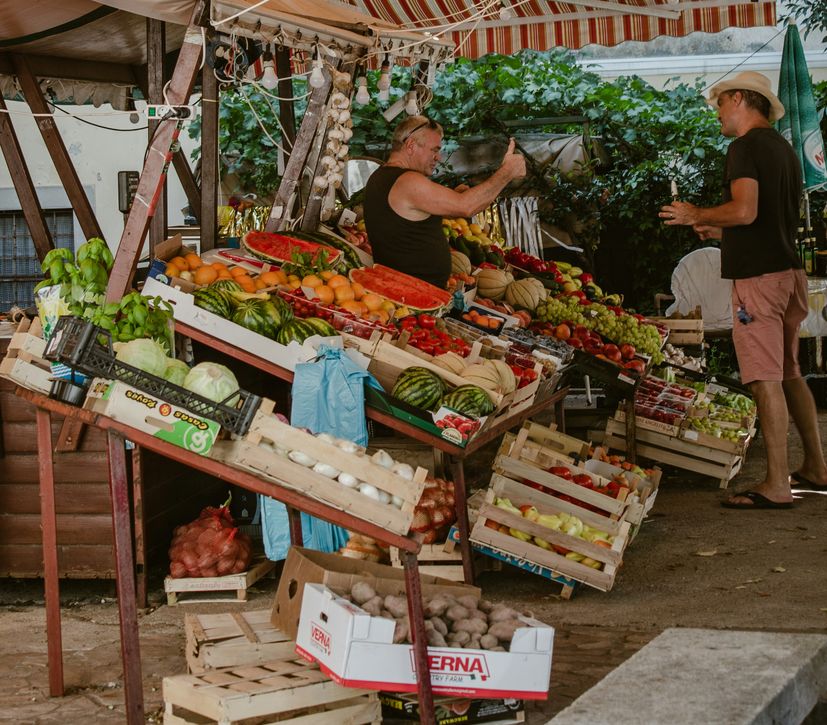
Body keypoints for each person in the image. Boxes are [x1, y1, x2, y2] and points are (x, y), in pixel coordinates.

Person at [659, 70, 827, 509]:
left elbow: (746, 210)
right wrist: (717, 229)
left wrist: (696, 210)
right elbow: (766, 221)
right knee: (790, 373)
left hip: (758, 282)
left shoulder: (745, 147)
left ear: (738, 99)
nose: (717, 114)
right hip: (788, 275)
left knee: (763, 379)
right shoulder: (783, 150)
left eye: (719, 104)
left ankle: (775, 484)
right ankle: (816, 467)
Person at [363, 115, 526, 288]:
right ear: (410, 145)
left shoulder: (383, 175)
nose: (439, 158)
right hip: (412, 292)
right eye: (434, 150)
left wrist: (453, 198)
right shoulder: (407, 181)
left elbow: (410, 216)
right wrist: (507, 172)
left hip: (407, 288)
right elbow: (466, 206)